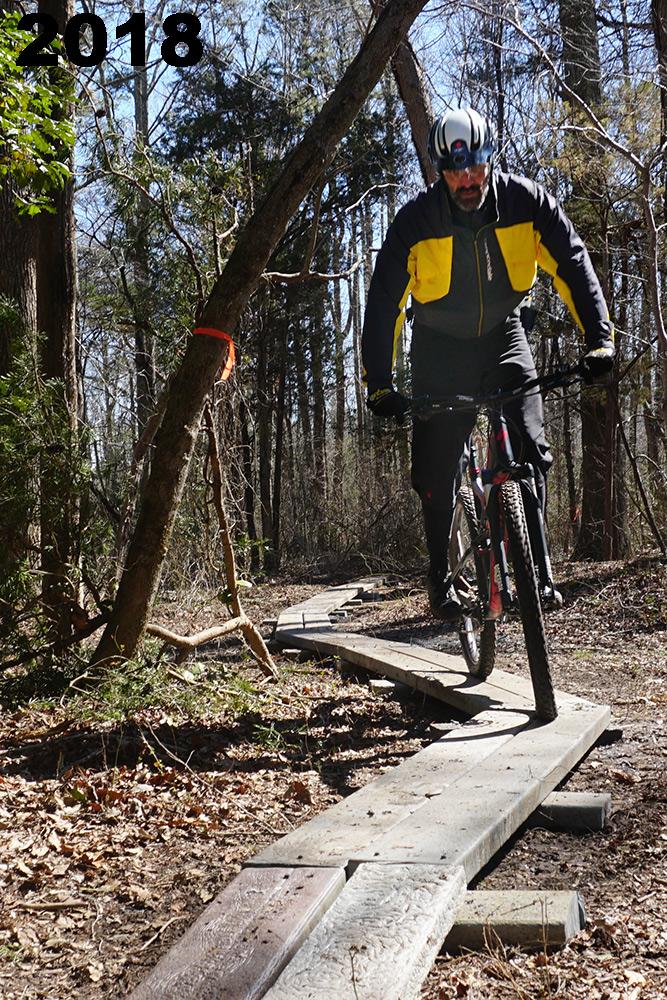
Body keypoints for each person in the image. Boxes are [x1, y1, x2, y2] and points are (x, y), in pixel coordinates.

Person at [361, 107, 615, 620]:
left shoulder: (526, 203)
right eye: (455, 171)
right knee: (435, 467)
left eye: (476, 166)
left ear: (490, 161)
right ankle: (441, 574)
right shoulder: (416, 221)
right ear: (439, 170)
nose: (467, 179)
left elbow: (572, 259)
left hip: (504, 334)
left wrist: (599, 339)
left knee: (531, 447)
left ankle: (538, 571)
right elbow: (385, 300)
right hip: (439, 346)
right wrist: (380, 382)